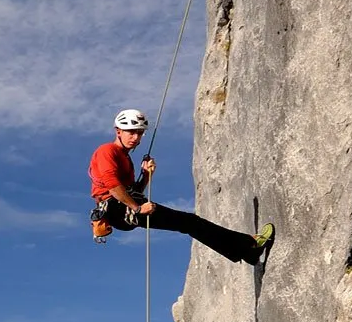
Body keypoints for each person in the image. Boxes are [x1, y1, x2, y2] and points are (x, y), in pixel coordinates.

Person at [89, 109, 271, 263]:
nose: (136, 137)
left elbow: (133, 192)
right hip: (116, 208)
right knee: (189, 222)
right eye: (131, 132)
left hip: (121, 208)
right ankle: (248, 246)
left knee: (188, 223)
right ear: (118, 131)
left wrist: (146, 176)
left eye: (140, 133)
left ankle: (246, 250)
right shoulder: (107, 151)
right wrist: (137, 209)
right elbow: (112, 186)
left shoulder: (125, 158)